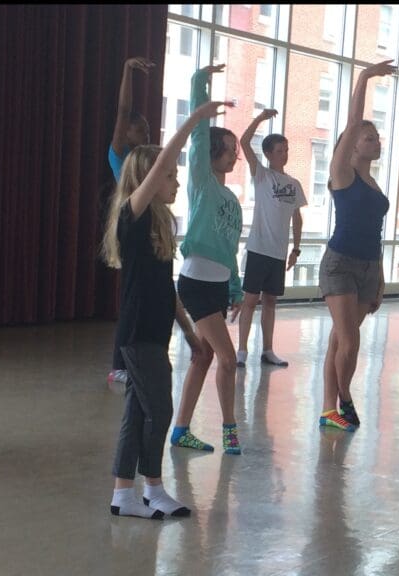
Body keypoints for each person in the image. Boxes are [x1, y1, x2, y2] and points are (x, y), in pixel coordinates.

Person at [101, 100, 225, 519]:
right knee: (161, 409)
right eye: (169, 176)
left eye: (174, 176)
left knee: (138, 411)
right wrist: (193, 121)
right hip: (137, 335)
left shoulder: (160, 228)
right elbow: (159, 168)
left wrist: (189, 333)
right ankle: (153, 488)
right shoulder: (130, 219)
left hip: (154, 332)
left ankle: (123, 493)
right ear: (149, 182)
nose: (174, 183)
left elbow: (165, 288)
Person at [317, 59, 396, 432]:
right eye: (369, 137)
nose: (376, 140)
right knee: (349, 340)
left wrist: (379, 279)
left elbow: (376, 235)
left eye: (377, 136)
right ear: (350, 148)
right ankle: (345, 400)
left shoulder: (374, 185)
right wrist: (365, 78)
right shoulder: (342, 174)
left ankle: (327, 410)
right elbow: (351, 123)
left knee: (340, 341)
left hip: (367, 267)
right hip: (340, 264)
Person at [170, 64, 245, 455]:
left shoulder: (232, 201)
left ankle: (181, 429)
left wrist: (234, 287)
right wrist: (200, 83)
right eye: (230, 149)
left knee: (202, 357)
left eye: (236, 151)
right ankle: (230, 430)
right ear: (214, 152)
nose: (235, 156)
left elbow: (231, 249)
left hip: (217, 285)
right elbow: (198, 137)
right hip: (196, 282)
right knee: (228, 360)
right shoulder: (201, 183)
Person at [236, 109, 308, 368]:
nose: (284, 154)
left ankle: (267, 350)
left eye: (286, 150)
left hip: (278, 253)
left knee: (270, 302)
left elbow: (297, 218)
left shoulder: (294, 183)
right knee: (250, 300)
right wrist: (259, 119)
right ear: (268, 154)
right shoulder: (262, 175)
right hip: (258, 249)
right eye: (280, 150)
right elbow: (244, 142)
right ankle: (241, 350)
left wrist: (296, 250)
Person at [107, 57, 155, 389]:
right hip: (130, 225)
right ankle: (117, 365)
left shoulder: (145, 161)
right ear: (126, 132)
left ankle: (137, 356)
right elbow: (123, 109)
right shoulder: (120, 155)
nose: (146, 133)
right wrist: (126, 69)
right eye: (141, 129)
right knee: (131, 299)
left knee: (144, 297)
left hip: (147, 225)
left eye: (148, 130)